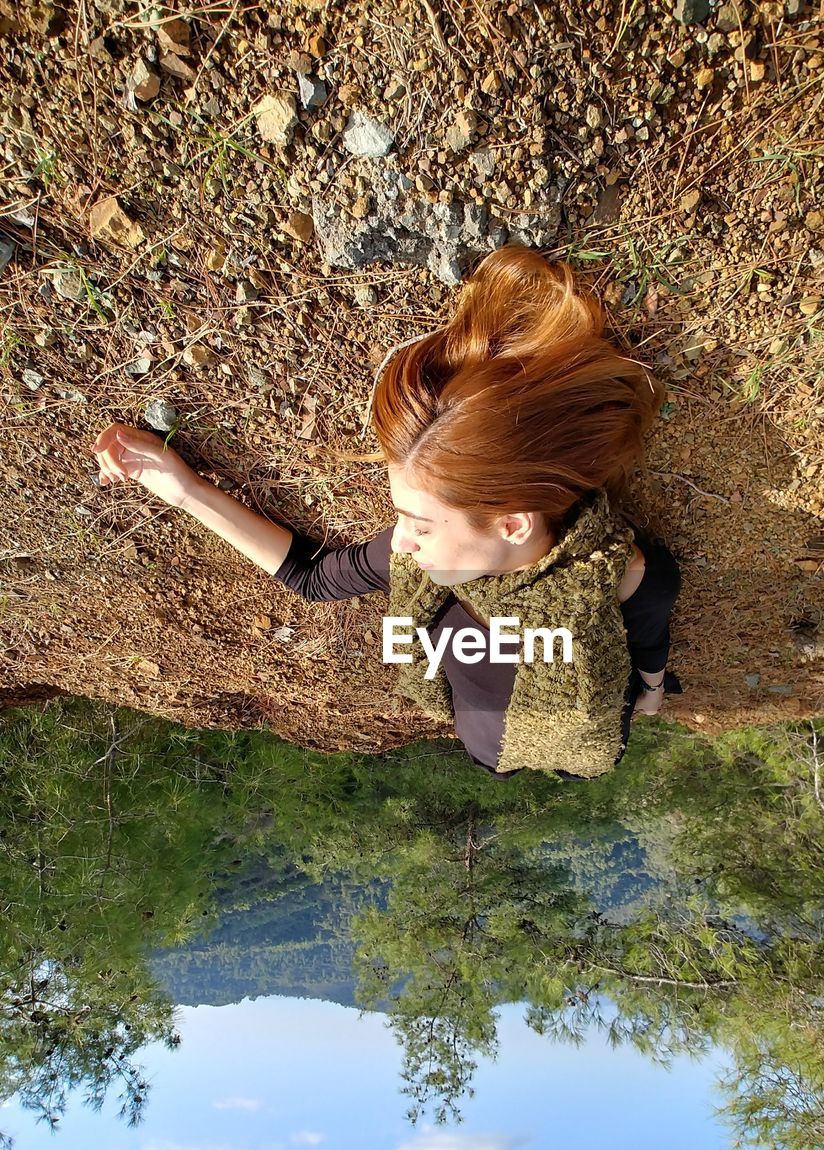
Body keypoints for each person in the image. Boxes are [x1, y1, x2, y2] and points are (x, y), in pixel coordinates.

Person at [91, 245, 682, 781]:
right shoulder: (434, 559)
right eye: (406, 519)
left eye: (420, 524)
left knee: (582, 758)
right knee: (491, 757)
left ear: (512, 524)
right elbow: (312, 577)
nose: (399, 544)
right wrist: (180, 490)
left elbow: (647, 642)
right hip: (483, 746)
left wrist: (650, 689)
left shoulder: (628, 576)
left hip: (586, 744)